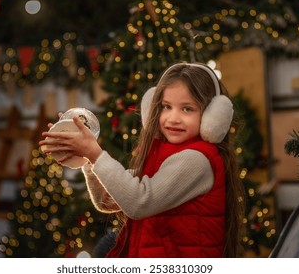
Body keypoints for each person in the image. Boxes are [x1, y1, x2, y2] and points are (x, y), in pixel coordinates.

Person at [39, 62, 245, 258]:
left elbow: (139, 202)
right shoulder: (162, 153)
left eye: (187, 109)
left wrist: (95, 154)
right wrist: (88, 159)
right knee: (108, 245)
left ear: (213, 116)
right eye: (166, 107)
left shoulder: (196, 159)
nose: (173, 118)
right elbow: (108, 201)